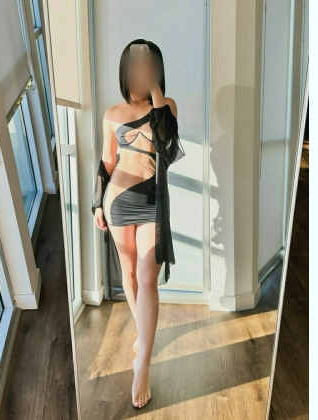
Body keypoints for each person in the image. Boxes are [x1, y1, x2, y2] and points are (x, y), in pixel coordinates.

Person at [91, 39, 185, 409]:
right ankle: (144, 335)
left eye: (148, 66)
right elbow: (106, 161)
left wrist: (154, 89)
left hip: (151, 202)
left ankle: (141, 363)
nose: (140, 72)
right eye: (135, 66)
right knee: (128, 274)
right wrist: (97, 203)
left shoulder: (166, 105)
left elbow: (166, 141)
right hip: (117, 199)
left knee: (148, 277)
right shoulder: (111, 113)